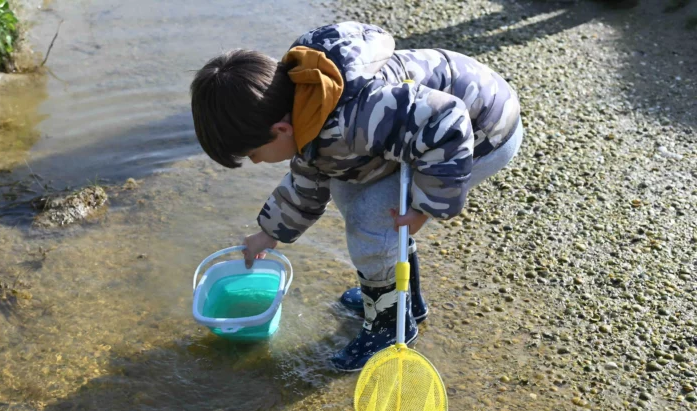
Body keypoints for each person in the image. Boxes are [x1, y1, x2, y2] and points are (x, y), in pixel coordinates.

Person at [190, 21, 523, 371]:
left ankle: (388, 328)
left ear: (280, 129)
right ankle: (405, 301)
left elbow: (448, 122)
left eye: (254, 154)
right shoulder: (306, 100)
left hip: (482, 132)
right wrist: (269, 232)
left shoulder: (352, 119)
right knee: (345, 186)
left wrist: (425, 205)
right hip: (420, 135)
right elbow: (309, 176)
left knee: (370, 219)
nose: (257, 162)